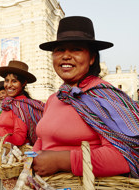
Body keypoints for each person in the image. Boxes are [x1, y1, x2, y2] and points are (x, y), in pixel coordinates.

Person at [32, 16, 139, 179]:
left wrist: (63, 161)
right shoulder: (55, 98)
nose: (65, 56)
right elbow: (43, 139)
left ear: (92, 58)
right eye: (59, 50)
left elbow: (127, 155)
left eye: (76, 49)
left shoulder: (104, 97)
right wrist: (29, 157)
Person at [0, 60, 45, 148]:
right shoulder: (9, 104)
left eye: (14, 81)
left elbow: (19, 139)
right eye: (6, 81)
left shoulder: (21, 107)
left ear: (24, 83)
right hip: (3, 153)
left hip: (13, 155)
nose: (9, 85)